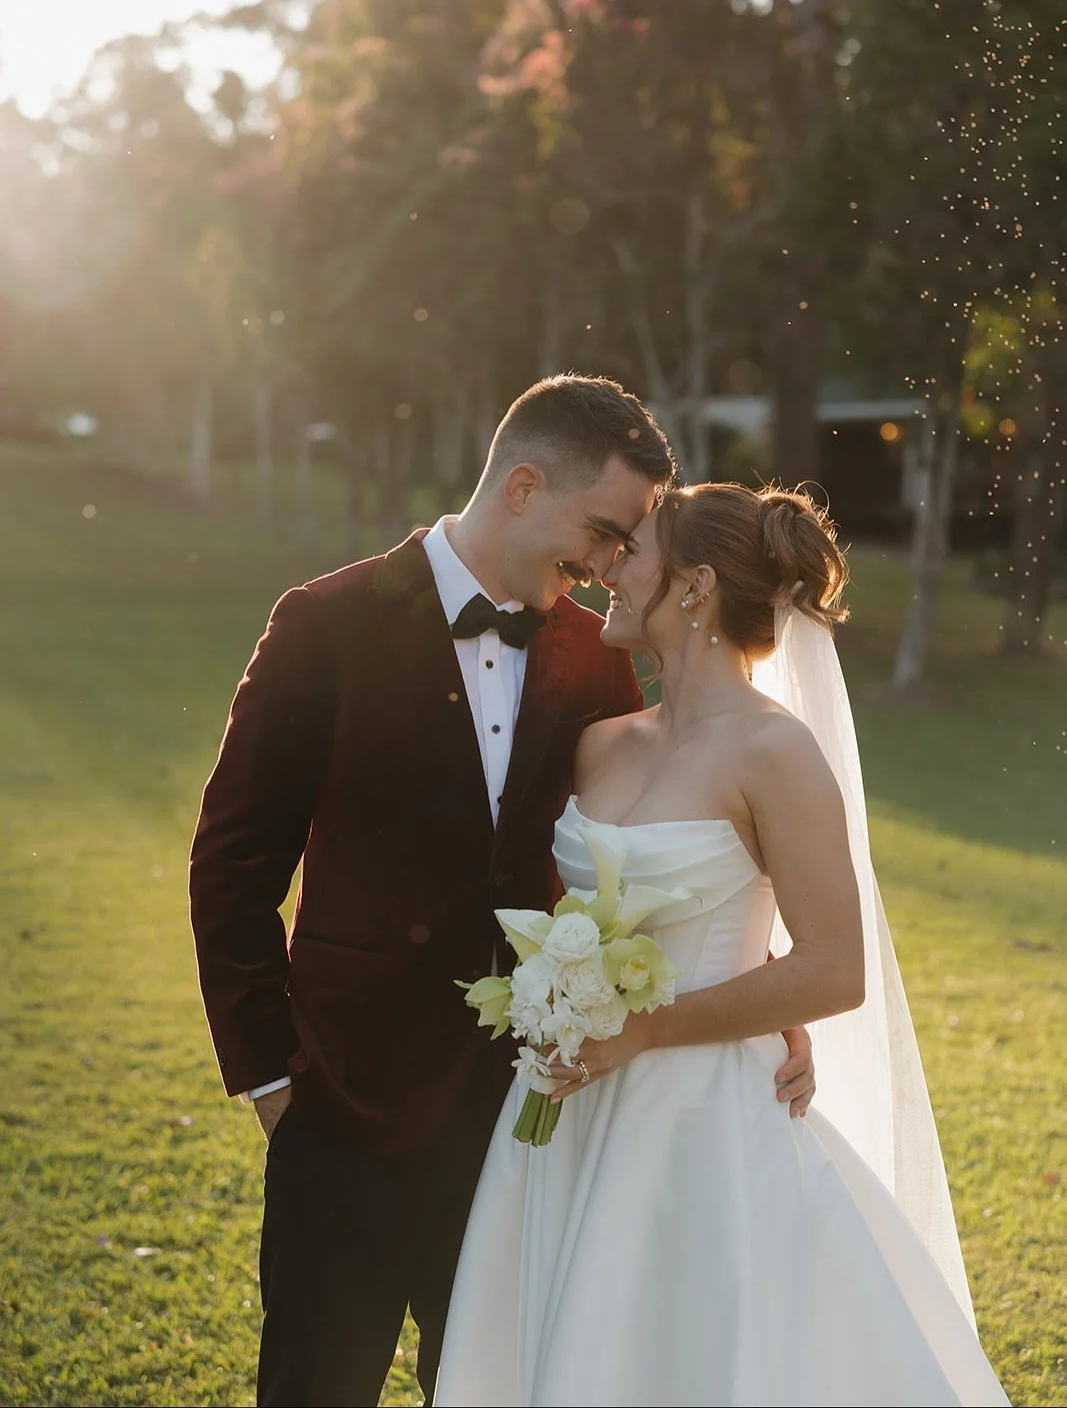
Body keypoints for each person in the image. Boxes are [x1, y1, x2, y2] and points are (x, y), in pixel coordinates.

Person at [188, 376, 816, 1408]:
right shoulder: (323, 623)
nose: (612, 565)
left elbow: (657, 837)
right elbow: (231, 866)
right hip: (342, 1105)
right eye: (604, 532)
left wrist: (762, 997)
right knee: (314, 1385)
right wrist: (271, 1081)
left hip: (524, 1127)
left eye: (626, 547)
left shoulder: (594, 653)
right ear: (523, 485)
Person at [434, 483, 1009, 1408]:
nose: (607, 567)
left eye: (635, 552)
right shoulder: (600, 745)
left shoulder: (775, 755)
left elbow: (834, 966)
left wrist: (649, 1030)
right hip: (562, 1107)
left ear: (695, 586)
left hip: (696, 1120)